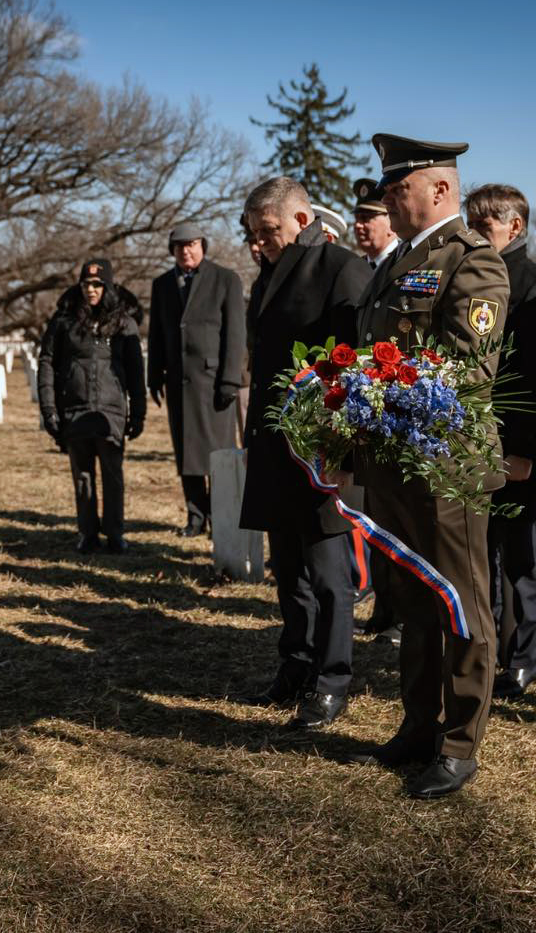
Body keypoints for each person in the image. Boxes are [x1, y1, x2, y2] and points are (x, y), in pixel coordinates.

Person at [345, 134, 509, 798]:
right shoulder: (396, 263)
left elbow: (468, 365)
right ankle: (418, 724)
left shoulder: (473, 261)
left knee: (460, 603)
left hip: (446, 464)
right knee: (411, 598)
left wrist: (382, 389)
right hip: (393, 459)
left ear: (440, 190)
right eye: (386, 190)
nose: (388, 199)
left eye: (397, 189)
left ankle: (459, 742)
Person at [240, 176, 371, 730]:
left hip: (319, 451)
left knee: (328, 574)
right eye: (250, 233)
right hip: (274, 446)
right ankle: (294, 665)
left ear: (300, 220)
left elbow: (355, 366)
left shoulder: (342, 270)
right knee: (287, 567)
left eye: (266, 231)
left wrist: (341, 450)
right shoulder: (267, 276)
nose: (257, 243)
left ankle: (332, 678)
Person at [464, 184, 536, 699]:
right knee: (481, 554)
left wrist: (525, 451)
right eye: (472, 225)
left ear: (515, 228)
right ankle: (491, 651)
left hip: (513, 448)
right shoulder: (469, 280)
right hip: (469, 443)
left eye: (485, 227)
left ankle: (524, 658)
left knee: (520, 558)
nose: (475, 235)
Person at [38, 259, 147, 555]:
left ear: (108, 287)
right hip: (75, 409)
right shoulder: (64, 322)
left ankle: (115, 533)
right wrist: (49, 409)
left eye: (98, 284)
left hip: (110, 412)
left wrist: (138, 412)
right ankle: (87, 533)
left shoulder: (124, 323)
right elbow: (47, 363)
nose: (91, 289)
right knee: (83, 476)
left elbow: (136, 371)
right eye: (86, 284)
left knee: (113, 475)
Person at [146, 224, 246, 537]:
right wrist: (154, 375)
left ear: (203, 245)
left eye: (191, 244)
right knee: (186, 452)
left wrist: (230, 379)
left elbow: (235, 334)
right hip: (179, 381)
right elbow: (158, 333)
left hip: (214, 382)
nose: (185, 251)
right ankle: (195, 515)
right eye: (179, 246)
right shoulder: (162, 284)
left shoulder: (225, 279)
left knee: (218, 453)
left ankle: (220, 516)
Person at [349, 176, 404, 646]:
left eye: (370, 216)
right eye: (358, 217)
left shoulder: (404, 266)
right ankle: (385, 609)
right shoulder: (360, 269)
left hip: (399, 413)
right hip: (366, 414)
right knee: (376, 517)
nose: (360, 224)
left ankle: (401, 613)